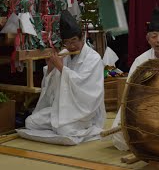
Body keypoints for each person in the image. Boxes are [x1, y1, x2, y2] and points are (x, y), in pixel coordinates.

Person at [17, 10, 106, 145]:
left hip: (82, 111)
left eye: (74, 41)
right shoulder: (64, 53)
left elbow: (86, 88)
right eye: (67, 42)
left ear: (82, 37)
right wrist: (51, 69)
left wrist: (61, 68)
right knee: (31, 122)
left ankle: (92, 130)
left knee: (65, 130)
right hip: (61, 107)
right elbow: (52, 86)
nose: (71, 46)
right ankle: (58, 126)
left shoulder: (93, 58)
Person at [109, 7, 159, 151]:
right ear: (148, 39)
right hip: (146, 104)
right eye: (154, 36)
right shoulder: (141, 60)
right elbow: (130, 87)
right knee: (120, 134)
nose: (158, 40)